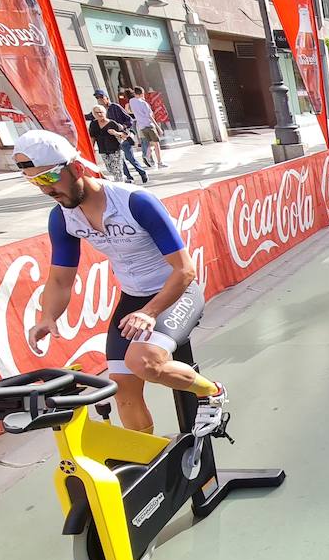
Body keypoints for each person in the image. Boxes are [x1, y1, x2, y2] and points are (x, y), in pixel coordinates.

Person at [15, 130, 225, 436]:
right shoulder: (62, 217)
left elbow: (185, 271)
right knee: (122, 390)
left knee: (145, 363)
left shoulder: (135, 202)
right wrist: (47, 316)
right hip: (133, 299)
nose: (45, 189)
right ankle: (146, 459)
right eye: (34, 182)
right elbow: (60, 279)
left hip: (177, 292)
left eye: (48, 178)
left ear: (76, 168)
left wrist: (150, 312)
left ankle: (212, 392)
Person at [92, 89, 147, 184]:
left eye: (101, 97)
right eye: (97, 98)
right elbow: (88, 116)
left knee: (129, 157)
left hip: (122, 135)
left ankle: (142, 172)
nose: (100, 100)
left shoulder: (115, 107)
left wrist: (122, 127)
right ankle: (129, 178)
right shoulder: (99, 111)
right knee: (120, 161)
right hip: (113, 141)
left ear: (107, 98)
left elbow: (129, 120)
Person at [130, 85, 167, 168]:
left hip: (141, 126)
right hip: (149, 125)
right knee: (156, 144)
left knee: (149, 143)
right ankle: (159, 162)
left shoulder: (131, 101)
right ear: (142, 93)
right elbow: (150, 116)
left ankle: (147, 155)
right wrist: (158, 127)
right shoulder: (144, 103)